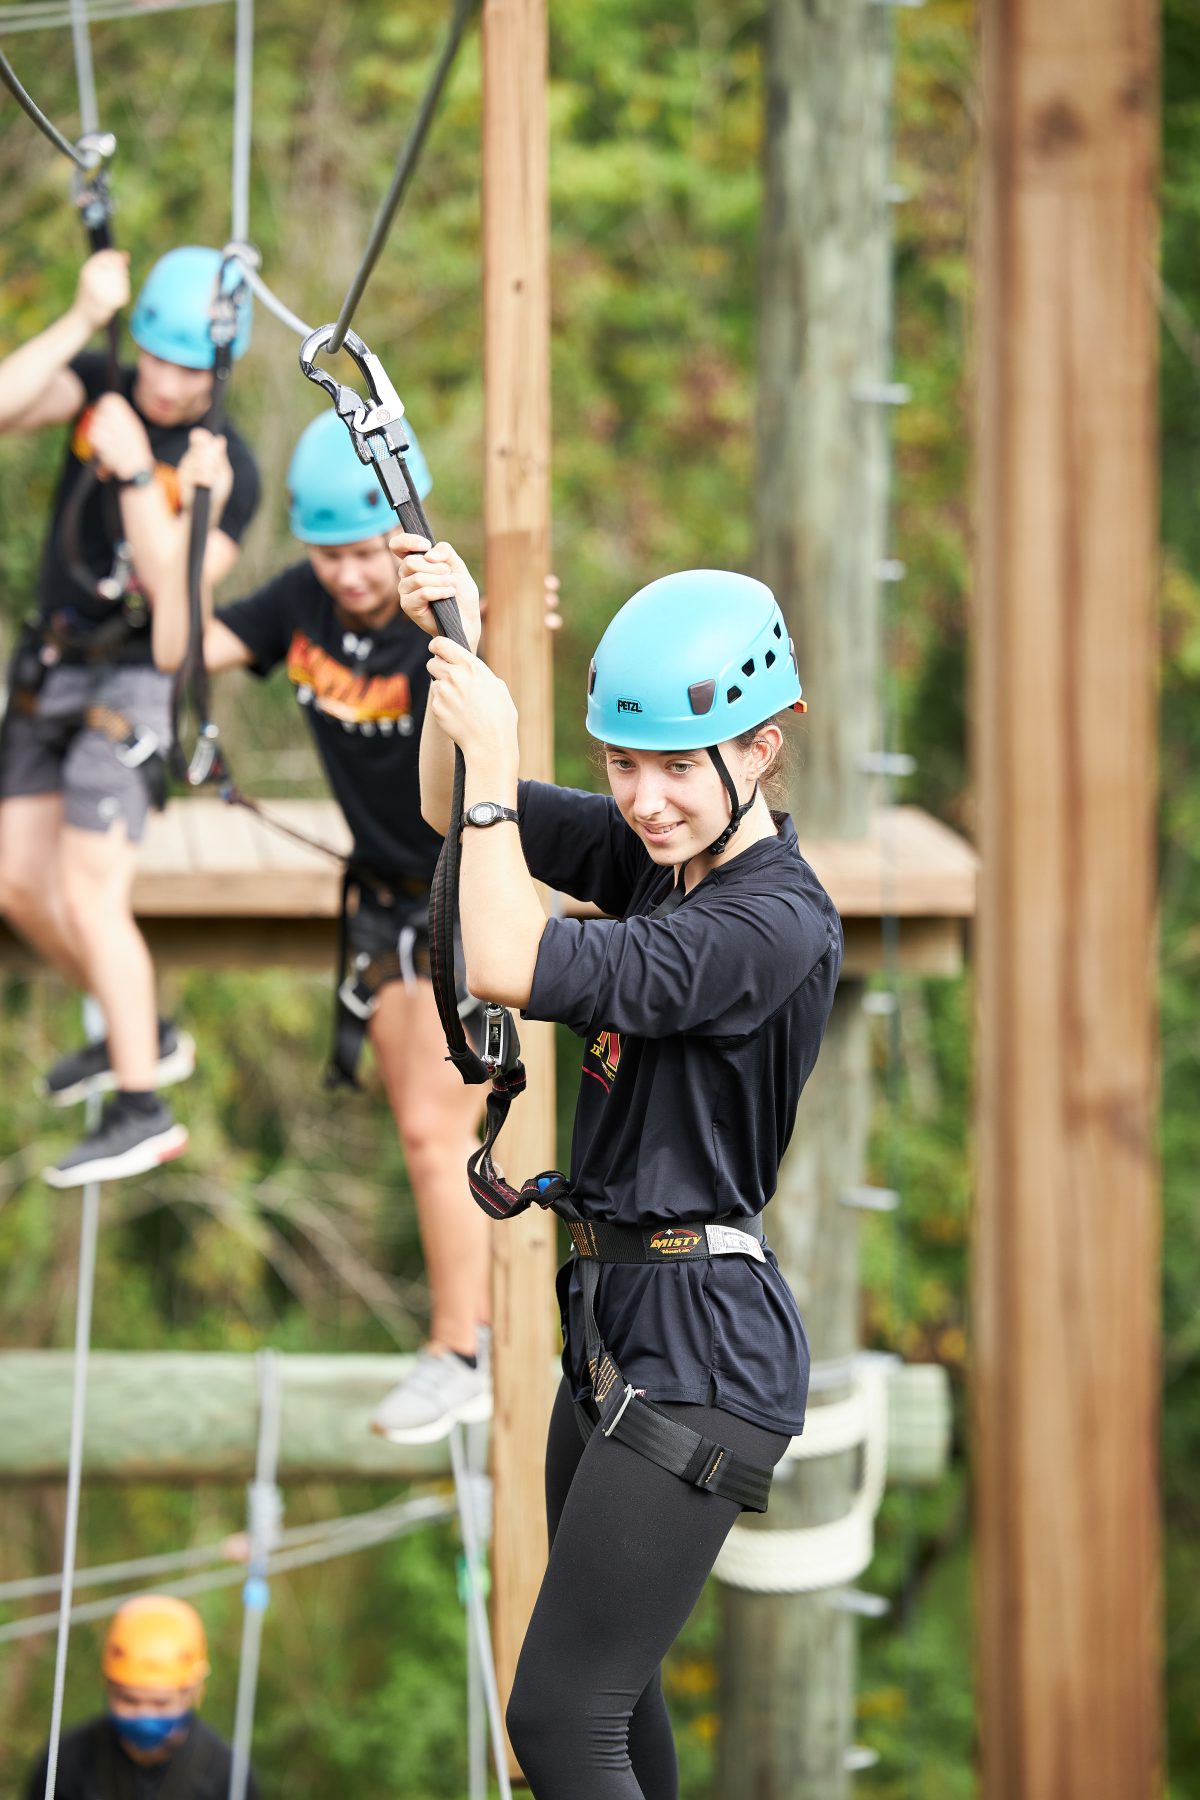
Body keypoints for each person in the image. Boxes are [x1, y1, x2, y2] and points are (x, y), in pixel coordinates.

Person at [397, 542, 843, 1798]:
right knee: (613, 1706)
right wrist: (463, 655)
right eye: (623, 766)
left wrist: (496, 758)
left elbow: (505, 956)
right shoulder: (661, 863)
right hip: (612, 1327)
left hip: (704, 1353)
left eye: (674, 768)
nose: (645, 800)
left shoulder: (770, 923)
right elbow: (451, 809)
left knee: (557, 1722)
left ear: (761, 745)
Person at [154, 414, 556, 1442]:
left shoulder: (441, 607)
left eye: (367, 552)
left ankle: (463, 1347)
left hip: (462, 884)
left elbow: (497, 677)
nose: (348, 576)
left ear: (404, 537)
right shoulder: (299, 607)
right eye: (327, 554)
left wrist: (496, 623)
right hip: (383, 897)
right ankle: (472, 1336)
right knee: (427, 1130)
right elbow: (179, 647)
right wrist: (190, 515)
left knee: (439, 1132)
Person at [0, 245, 260, 1187]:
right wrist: (79, 318)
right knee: (15, 882)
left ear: (220, 370)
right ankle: (144, 1031)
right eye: (149, 354)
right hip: (50, 665)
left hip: (131, 684)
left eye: (185, 367)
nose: (159, 380)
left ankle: (142, 1104)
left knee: (87, 889)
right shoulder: (106, 384)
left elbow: (175, 607)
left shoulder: (226, 465)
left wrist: (132, 475)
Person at [24, 1593, 259, 1798]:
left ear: (194, 1691)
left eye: (161, 1702)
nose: (145, 1714)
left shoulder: (226, 1775)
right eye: (129, 1699)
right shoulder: (65, 1763)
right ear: (107, 1686)